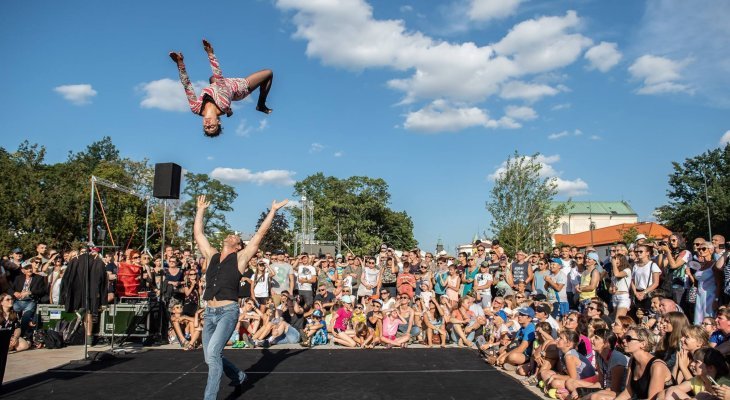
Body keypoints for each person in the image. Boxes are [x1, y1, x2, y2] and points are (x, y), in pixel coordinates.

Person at [194, 194, 287, 399]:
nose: (232, 235)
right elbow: (199, 235)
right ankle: (239, 376)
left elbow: (260, 235)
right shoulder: (212, 255)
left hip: (228, 311)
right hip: (209, 312)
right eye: (231, 235)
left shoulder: (241, 258)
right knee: (210, 358)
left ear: (238, 246)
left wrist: (272, 211)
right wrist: (200, 210)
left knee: (214, 354)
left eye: (236, 237)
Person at [169, 39, 274, 137]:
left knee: (212, 79)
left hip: (220, 88)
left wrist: (180, 63)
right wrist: (210, 53)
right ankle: (261, 105)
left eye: (206, 127)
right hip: (238, 87)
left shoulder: (196, 108)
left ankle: (229, 111)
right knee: (268, 73)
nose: (208, 124)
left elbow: (187, 86)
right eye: (212, 126)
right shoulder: (223, 104)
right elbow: (219, 77)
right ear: (218, 122)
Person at [614, 326, 672, 400]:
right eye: (624, 337)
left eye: (628, 338)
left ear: (643, 344)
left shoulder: (657, 366)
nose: (624, 340)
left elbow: (652, 398)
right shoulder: (633, 360)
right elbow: (628, 392)